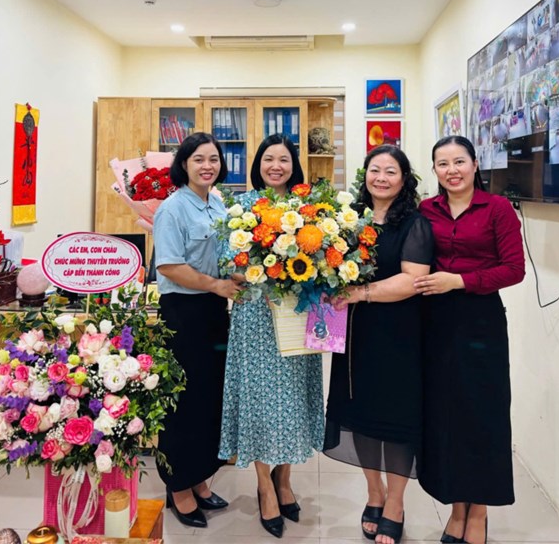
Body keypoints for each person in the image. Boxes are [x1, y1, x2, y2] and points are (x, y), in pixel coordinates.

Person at [416, 135, 525, 544]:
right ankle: (455, 506)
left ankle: (478, 511)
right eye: (443, 164)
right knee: (445, 416)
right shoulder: (426, 210)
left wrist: (459, 280)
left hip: (481, 324)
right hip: (434, 323)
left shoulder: (497, 208)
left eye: (459, 161)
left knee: (482, 416)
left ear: (475, 164)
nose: (452, 171)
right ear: (434, 170)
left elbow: (514, 269)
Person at [323, 145, 434, 544]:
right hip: (356, 335)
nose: (381, 178)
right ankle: (375, 492)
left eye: (391, 171)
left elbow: (412, 280)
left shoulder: (415, 224)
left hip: (399, 334)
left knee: (397, 420)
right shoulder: (350, 220)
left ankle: (396, 504)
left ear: (404, 180)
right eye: (375, 170)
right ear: (364, 175)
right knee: (362, 415)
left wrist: (360, 293)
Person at [219, 134, 325, 539]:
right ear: (258, 164)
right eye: (268, 159)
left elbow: (322, 258)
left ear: (293, 165)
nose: (276, 166)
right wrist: (258, 270)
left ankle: (285, 479)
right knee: (261, 403)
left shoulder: (308, 207)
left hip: (296, 316)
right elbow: (226, 261)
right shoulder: (241, 206)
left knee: (292, 401)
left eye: (283, 159)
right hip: (256, 317)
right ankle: (265, 486)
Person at [153, 133, 241, 528]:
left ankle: (200, 479)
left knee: (209, 397)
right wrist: (215, 285)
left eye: (213, 159)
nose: (207, 166)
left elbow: (223, 257)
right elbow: (170, 266)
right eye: (199, 159)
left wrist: (236, 278)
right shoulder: (172, 209)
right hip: (183, 314)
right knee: (182, 402)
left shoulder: (217, 203)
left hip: (213, 311)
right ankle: (178, 487)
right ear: (184, 164)